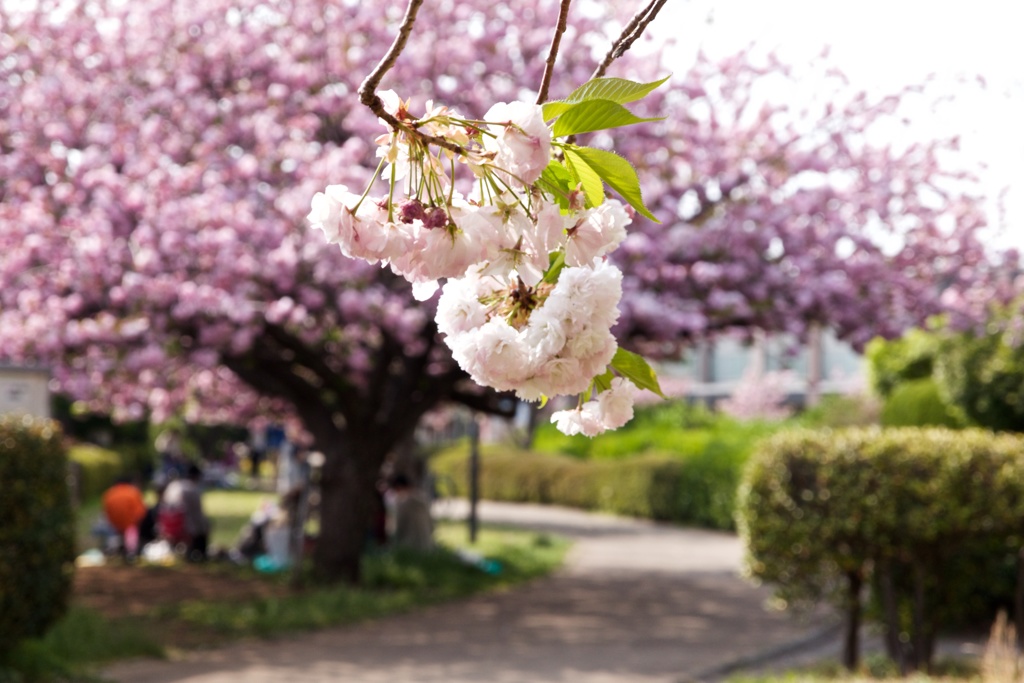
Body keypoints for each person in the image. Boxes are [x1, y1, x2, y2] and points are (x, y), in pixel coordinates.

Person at [161, 464, 211, 561]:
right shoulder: (192, 489)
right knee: (205, 525)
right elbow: (198, 514)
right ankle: (200, 555)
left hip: (167, 525)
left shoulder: (173, 485)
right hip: (181, 526)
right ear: (196, 476)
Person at [101, 476, 147, 557]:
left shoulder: (108, 493)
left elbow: (105, 512)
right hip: (129, 524)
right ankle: (131, 551)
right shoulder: (133, 492)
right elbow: (140, 512)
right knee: (132, 530)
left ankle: (111, 549)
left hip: (113, 524)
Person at [387, 473, 434, 552]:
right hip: (427, 546)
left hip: (409, 548)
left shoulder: (403, 503)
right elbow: (432, 525)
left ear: (399, 488)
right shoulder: (423, 499)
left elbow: (398, 528)